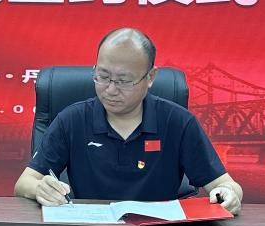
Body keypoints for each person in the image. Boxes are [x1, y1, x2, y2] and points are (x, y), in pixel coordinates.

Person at [14, 28, 244, 213]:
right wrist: (40, 188)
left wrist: (229, 193)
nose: (111, 89)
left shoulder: (178, 122)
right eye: (102, 76)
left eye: (124, 81)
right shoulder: (71, 120)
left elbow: (225, 184)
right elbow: (24, 183)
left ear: (150, 77)